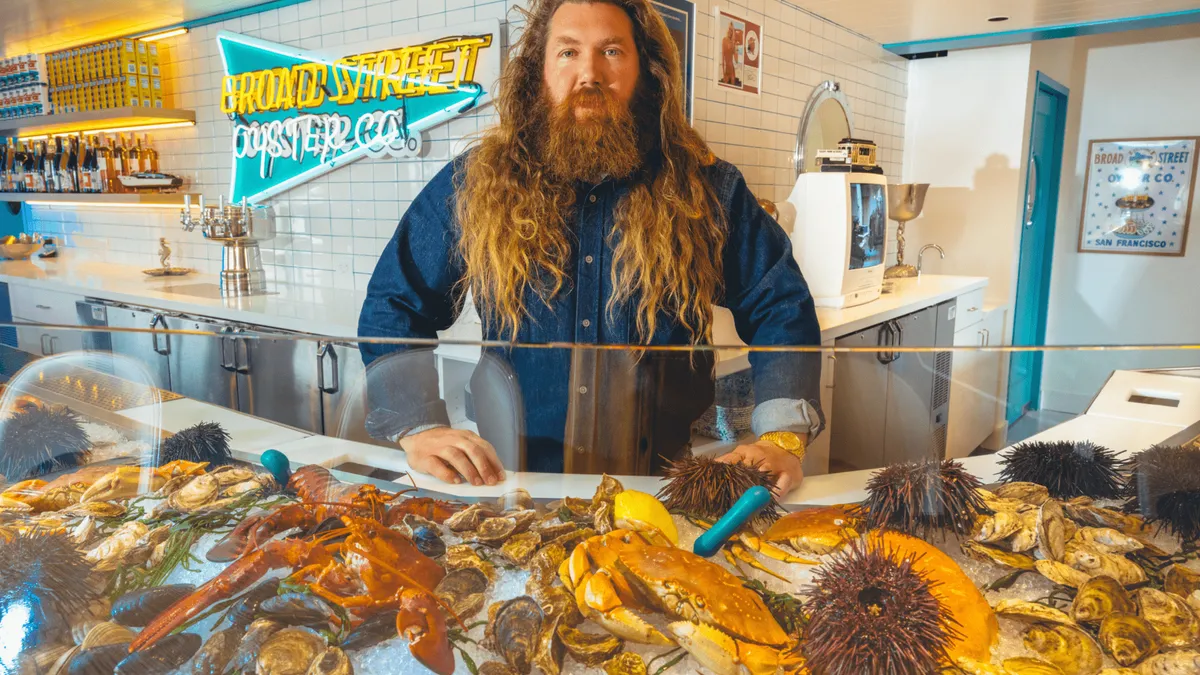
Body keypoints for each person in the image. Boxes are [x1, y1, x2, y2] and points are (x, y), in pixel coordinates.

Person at [359, 0, 823, 496]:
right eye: (567, 52)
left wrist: (781, 437)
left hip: (659, 490)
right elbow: (395, 304)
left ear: (647, 70)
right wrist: (418, 426)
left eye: (612, 51)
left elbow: (779, 304)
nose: (589, 74)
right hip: (512, 485)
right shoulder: (474, 184)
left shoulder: (707, 190)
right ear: (538, 72)